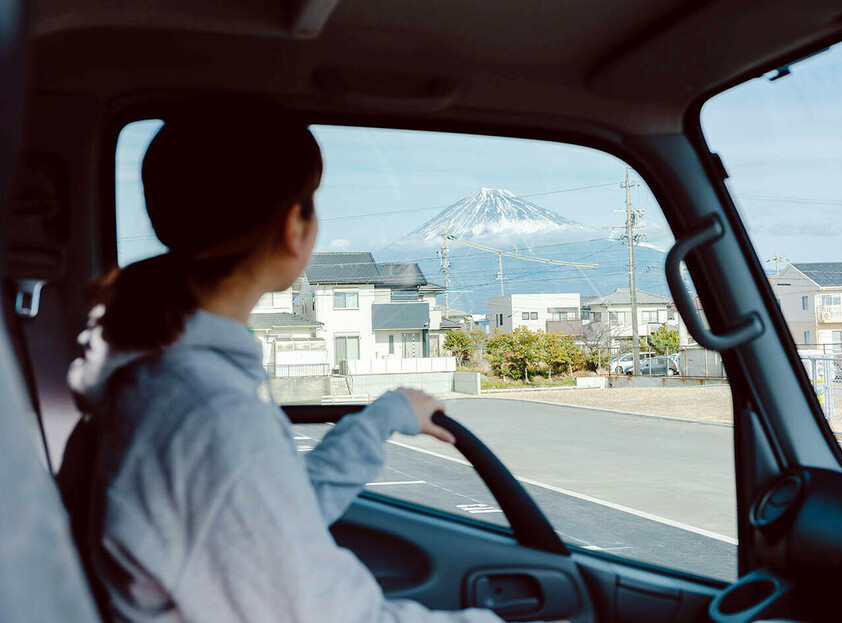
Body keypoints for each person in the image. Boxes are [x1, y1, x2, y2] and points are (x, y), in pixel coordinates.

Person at [67, 106, 528, 622]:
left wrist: (380, 420)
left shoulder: (160, 379)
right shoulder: (210, 415)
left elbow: (276, 511)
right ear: (294, 226)